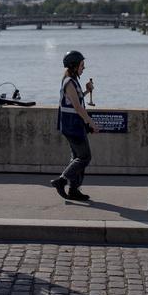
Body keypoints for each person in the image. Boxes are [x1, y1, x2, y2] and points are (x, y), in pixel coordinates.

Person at [51, 50, 99, 201]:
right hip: (72, 126)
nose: (83, 68)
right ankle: (62, 180)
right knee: (84, 157)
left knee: (77, 157)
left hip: (72, 125)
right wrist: (91, 123)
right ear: (73, 66)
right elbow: (78, 108)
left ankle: (73, 190)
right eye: (82, 65)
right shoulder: (69, 82)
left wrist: (86, 91)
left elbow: (74, 100)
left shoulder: (72, 80)